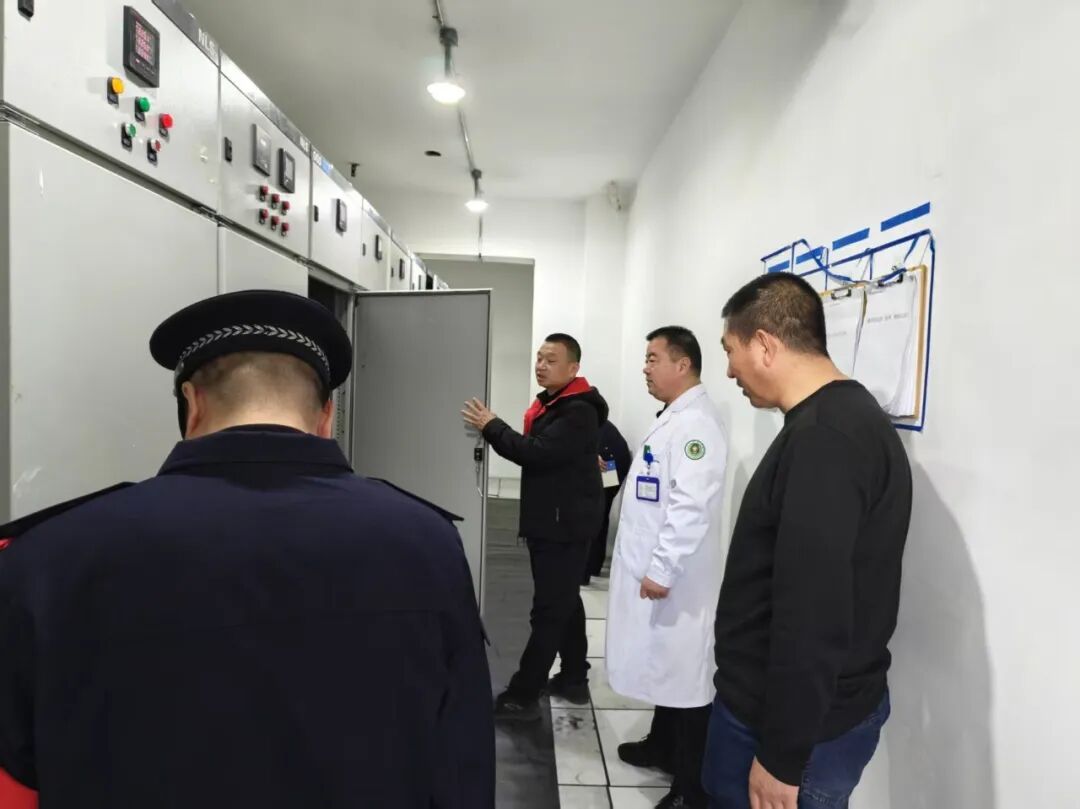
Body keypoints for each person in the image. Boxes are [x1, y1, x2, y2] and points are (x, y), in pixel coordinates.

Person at [0, 290, 494, 809]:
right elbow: (461, 763)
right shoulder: (427, 542)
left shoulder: (45, 559)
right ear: (326, 416)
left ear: (192, 404)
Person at [705, 274, 912, 809]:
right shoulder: (839, 421)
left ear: (764, 344)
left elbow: (813, 613)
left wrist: (781, 757)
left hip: (791, 733)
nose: (729, 370)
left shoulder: (826, 440)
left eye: (730, 350)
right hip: (803, 716)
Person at [606, 326, 728, 809]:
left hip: (678, 581)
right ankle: (662, 745)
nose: (645, 367)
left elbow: (690, 507)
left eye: (653, 358)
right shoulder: (676, 417)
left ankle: (690, 788)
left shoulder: (697, 425)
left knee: (688, 682)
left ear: (683, 364)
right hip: (657, 572)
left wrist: (662, 569)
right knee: (666, 672)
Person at [463, 333, 607, 716]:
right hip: (557, 520)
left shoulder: (577, 411)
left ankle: (524, 692)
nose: (540, 366)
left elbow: (535, 452)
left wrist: (492, 425)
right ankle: (574, 677)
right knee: (564, 601)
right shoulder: (554, 403)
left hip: (564, 526)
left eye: (551, 360)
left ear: (573, 368)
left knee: (548, 610)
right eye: (539, 358)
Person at [583, 418, 632, 584]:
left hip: (609, 464)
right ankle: (592, 567)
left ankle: (587, 569)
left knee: (594, 516)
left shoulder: (584, 420)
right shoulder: (592, 420)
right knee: (599, 515)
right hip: (610, 462)